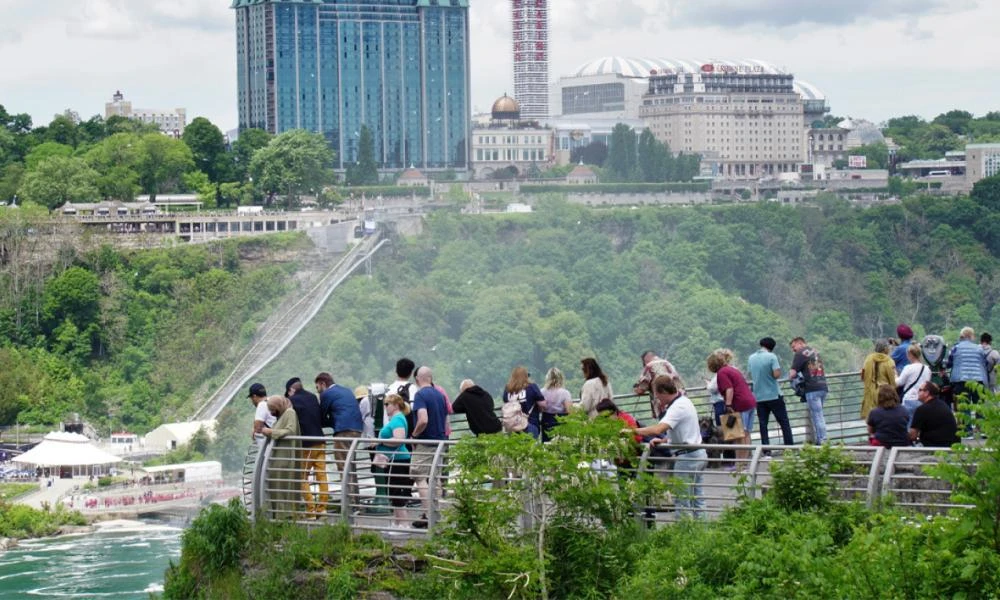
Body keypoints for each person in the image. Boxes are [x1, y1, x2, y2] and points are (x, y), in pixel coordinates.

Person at [633, 376, 708, 519]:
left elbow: (658, 429)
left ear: (663, 392)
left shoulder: (677, 407)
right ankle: (703, 531)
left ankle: (683, 533)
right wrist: (665, 440)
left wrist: (633, 431)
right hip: (697, 453)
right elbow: (684, 431)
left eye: (656, 394)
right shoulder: (685, 401)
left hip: (687, 457)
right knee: (697, 497)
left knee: (682, 498)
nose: (656, 398)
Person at [315, 372, 364, 509]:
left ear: (323, 384)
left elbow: (322, 416)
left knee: (343, 466)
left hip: (343, 431)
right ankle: (356, 502)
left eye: (317, 387)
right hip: (357, 430)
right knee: (351, 466)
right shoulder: (346, 390)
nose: (318, 390)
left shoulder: (327, 394)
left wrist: (328, 423)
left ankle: (349, 505)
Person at [410, 366, 448, 529]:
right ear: (431, 378)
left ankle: (428, 514)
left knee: (419, 475)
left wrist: (414, 435)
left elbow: (423, 419)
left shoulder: (420, 395)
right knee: (436, 476)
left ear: (418, 379)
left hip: (426, 441)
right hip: (440, 441)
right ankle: (436, 512)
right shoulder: (439, 395)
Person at [285, 377, 328, 517]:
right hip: (320, 441)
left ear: (291, 390)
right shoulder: (313, 397)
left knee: (302, 476)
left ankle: (311, 511)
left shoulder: (293, 401)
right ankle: (323, 509)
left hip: (307, 444)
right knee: (321, 475)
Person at [708, 351, 756, 460]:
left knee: (738, 435)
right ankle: (745, 461)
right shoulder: (732, 369)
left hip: (739, 404)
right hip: (750, 402)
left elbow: (729, 389)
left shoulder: (722, 373)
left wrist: (728, 404)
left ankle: (740, 463)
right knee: (746, 433)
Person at [748, 337, 793, 447]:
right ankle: (789, 447)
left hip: (759, 396)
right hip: (774, 395)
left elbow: (750, 374)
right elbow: (776, 374)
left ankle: (766, 450)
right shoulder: (772, 357)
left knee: (763, 425)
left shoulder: (751, 358)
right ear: (772, 347)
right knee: (783, 422)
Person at [375, 393, 412, 528]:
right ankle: (398, 523)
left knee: (396, 492)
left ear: (396, 405)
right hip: (395, 460)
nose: (385, 407)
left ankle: (404, 524)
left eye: (387, 404)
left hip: (398, 460)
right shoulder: (396, 419)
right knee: (394, 492)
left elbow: (399, 439)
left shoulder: (397, 420)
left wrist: (380, 441)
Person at [261, 395, 300, 520]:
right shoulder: (283, 415)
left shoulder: (289, 412)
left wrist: (271, 432)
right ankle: (278, 515)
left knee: (282, 487)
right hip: (279, 458)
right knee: (277, 487)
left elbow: (290, 430)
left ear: (278, 406)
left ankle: (284, 516)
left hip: (284, 458)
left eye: (273, 409)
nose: (272, 413)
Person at [788, 337, 829, 444]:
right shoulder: (815, 351)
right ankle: (822, 439)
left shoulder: (800, 354)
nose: (793, 350)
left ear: (800, 343)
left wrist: (791, 378)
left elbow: (792, 373)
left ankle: (822, 440)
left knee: (817, 415)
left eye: (793, 347)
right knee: (819, 414)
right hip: (822, 385)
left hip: (812, 388)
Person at [909, 382, 959, 447]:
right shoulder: (943, 404)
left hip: (934, 447)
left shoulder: (922, 409)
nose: (918, 392)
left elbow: (912, 436)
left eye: (920, 390)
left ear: (927, 393)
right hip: (951, 445)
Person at [503, 366, 545, 438]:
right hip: (530, 423)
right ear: (526, 376)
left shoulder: (508, 389)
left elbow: (506, 403)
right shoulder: (532, 387)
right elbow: (543, 404)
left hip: (512, 426)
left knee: (515, 448)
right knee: (530, 448)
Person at [860, 340, 897, 419]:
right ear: (885, 349)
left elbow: (863, 375)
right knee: (885, 416)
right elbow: (893, 379)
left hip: (871, 391)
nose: (889, 349)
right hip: (885, 393)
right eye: (888, 347)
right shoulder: (889, 361)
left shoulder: (868, 359)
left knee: (873, 416)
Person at [896, 343, 930, 426]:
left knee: (908, 425)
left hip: (909, 399)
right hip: (922, 400)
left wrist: (894, 374)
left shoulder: (908, 368)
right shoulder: (927, 368)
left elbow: (899, 382)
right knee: (920, 425)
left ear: (910, 354)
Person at [541, 367, 573, 438]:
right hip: (561, 421)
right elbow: (570, 411)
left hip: (546, 420)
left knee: (547, 444)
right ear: (560, 378)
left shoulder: (542, 392)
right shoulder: (565, 393)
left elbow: (540, 408)